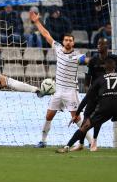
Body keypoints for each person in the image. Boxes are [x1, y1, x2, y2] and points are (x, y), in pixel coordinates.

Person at [30, 11, 92, 149]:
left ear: (73, 43)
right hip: (58, 90)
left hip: (71, 91)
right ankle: (43, 141)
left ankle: (90, 141)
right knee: (49, 115)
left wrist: (96, 61)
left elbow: (86, 60)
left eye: (70, 40)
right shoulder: (58, 49)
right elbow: (46, 34)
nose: (68, 42)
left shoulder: (77, 56)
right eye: (66, 40)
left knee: (76, 118)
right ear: (63, 41)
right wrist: (36, 22)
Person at [56, 57, 117, 155]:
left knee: (85, 126)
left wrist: (77, 113)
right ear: (115, 68)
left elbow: (87, 98)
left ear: (105, 68)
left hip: (105, 106)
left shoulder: (100, 79)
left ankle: (67, 147)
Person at [83, 37, 117, 150]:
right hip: (95, 94)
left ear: (107, 47)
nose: (98, 46)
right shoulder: (93, 61)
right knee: (86, 116)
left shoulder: (113, 59)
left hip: (112, 96)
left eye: (101, 44)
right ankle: (84, 143)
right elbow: (87, 80)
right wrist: (89, 92)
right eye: (97, 44)